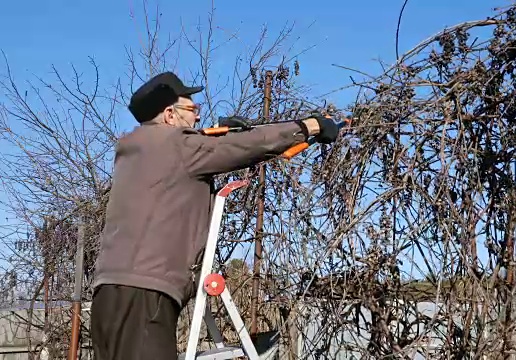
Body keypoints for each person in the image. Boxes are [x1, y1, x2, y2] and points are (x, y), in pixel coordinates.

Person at [89, 71, 340, 360]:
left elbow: (193, 151)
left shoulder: (137, 152)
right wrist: (308, 126)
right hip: (146, 297)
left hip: (107, 295)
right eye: (192, 110)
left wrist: (212, 135)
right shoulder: (181, 148)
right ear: (170, 115)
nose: (197, 118)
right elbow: (245, 147)